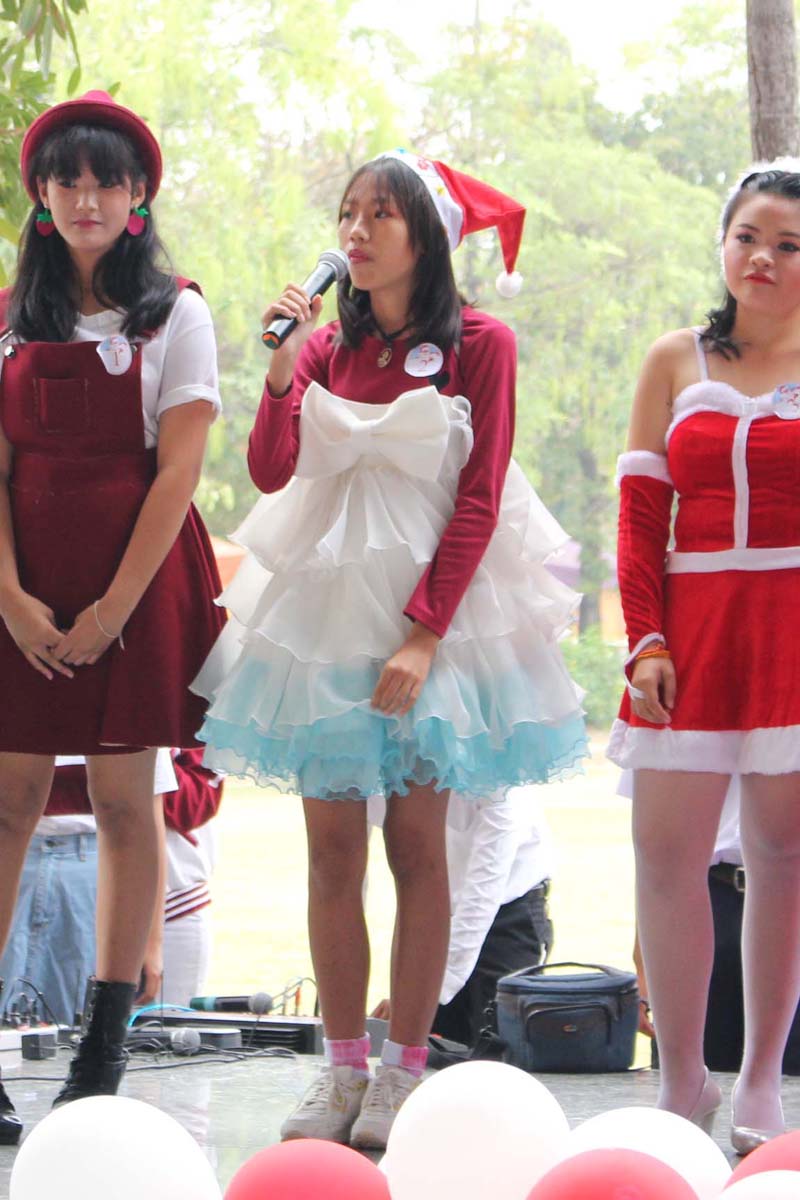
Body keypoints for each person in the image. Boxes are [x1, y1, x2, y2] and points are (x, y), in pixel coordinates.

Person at [193, 149, 586, 1149]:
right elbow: (272, 469)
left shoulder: (480, 342)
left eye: (379, 215)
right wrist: (279, 367)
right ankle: (341, 1069)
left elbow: (480, 497)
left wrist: (424, 634)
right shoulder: (327, 347)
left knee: (417, 848)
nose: (355, 233)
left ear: (425, 236)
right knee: (330, 851)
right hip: (327, 617)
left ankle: (402, 1071)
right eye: (347, 214)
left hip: (433, 624)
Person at [0, 90, 224, 1145]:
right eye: (67, 180)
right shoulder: (8, 318)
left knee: (129, 803)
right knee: (9, 802)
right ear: (41, 198)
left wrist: (111, 613)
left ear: (138, 197)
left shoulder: (177, 313)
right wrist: (11, 598)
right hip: (22, 582)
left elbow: (178, 473)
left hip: (132, 582)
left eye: (107, 181)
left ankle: (101, 1050)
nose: (86, 198)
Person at [607, 162, 800, 1155]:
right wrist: (643, 637)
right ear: (722, 243)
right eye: (747, 237)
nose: (763, 258)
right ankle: (681, 1080)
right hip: (688, 631)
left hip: (792, 629)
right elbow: (641, 519)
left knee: (781, 856)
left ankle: (762, 1078)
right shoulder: (672, 359)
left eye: (789, 245)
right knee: (662, 854)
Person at [0, 748, 223, 1025]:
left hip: (113, 868)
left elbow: (156, 808)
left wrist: (150, 942)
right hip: (27, 859)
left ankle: (102, 1042)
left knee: (86, 1019)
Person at [371, 787, 554, 1050]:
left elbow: (481, 897)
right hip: (434, 910)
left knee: (499, 1051)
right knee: (430, 1055)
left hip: (508, 909)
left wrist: (424, 996)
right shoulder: (374, 775)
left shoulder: (499, 786)